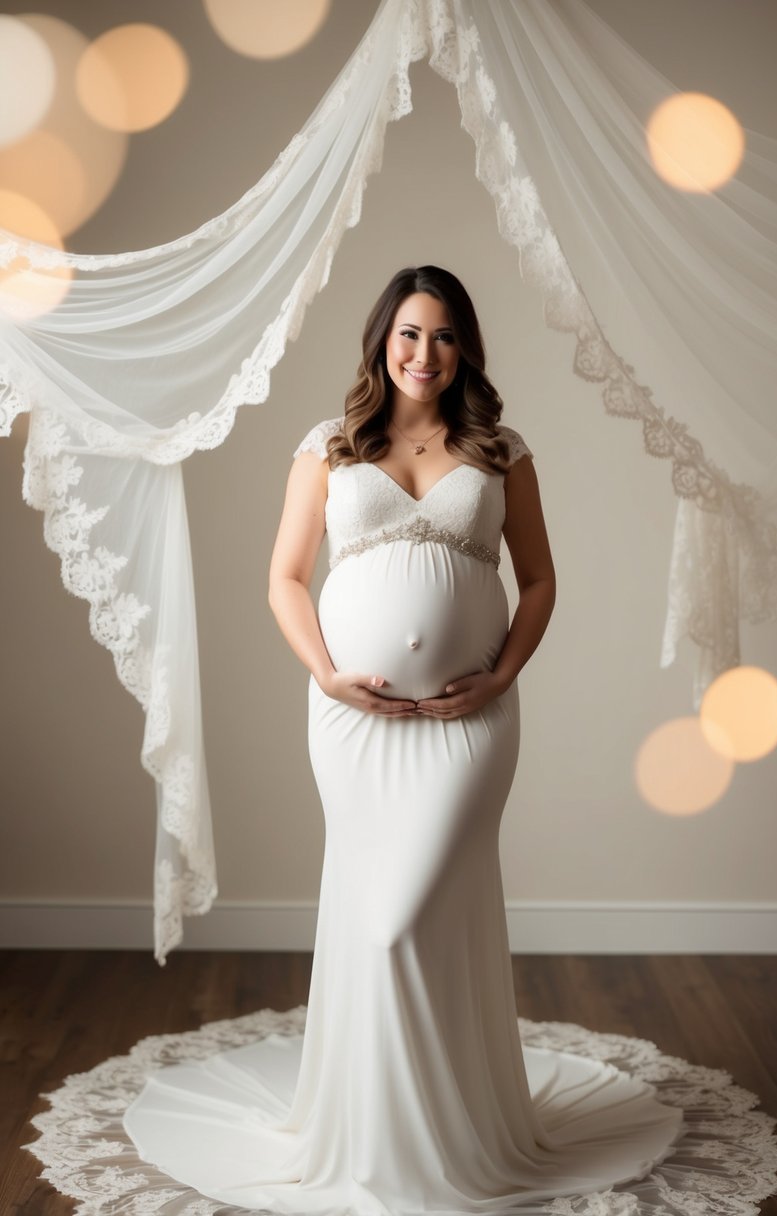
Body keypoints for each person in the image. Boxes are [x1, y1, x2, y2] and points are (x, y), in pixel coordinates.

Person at [121, 265, 684, 1214]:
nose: (426, 355)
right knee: (372, 914)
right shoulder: (331, 447)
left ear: (466, 349)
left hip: (471, 725)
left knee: (416, 916)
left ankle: (451, 1140)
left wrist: (501, 674)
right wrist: (326, 673)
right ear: (383, 341)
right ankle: (376, 1131)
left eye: (446, 337)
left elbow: (540, 580)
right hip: (352, 722)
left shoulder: (501, 451)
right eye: (410, 335)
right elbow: (284, 581)